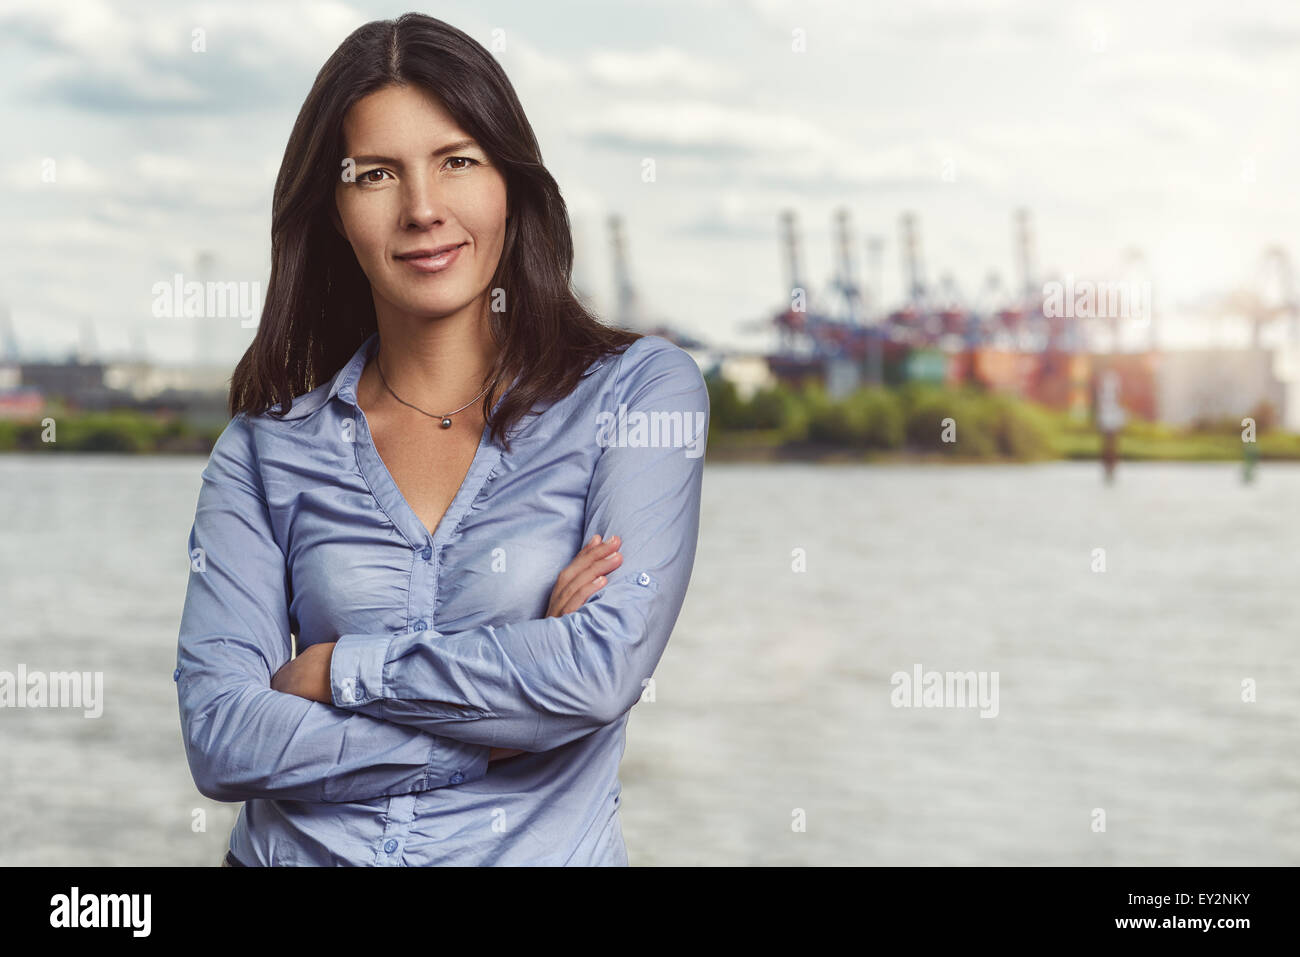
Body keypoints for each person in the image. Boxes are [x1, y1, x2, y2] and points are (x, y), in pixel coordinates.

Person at [175, 13, 708, 866]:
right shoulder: (263, 451)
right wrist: (497, 727)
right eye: (377, 173)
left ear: (510, 182)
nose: (424, 209)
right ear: (335, 208)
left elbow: (599, 671)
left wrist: (340, 672)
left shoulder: (638, 393)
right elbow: (224, 735)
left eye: (458, 160)